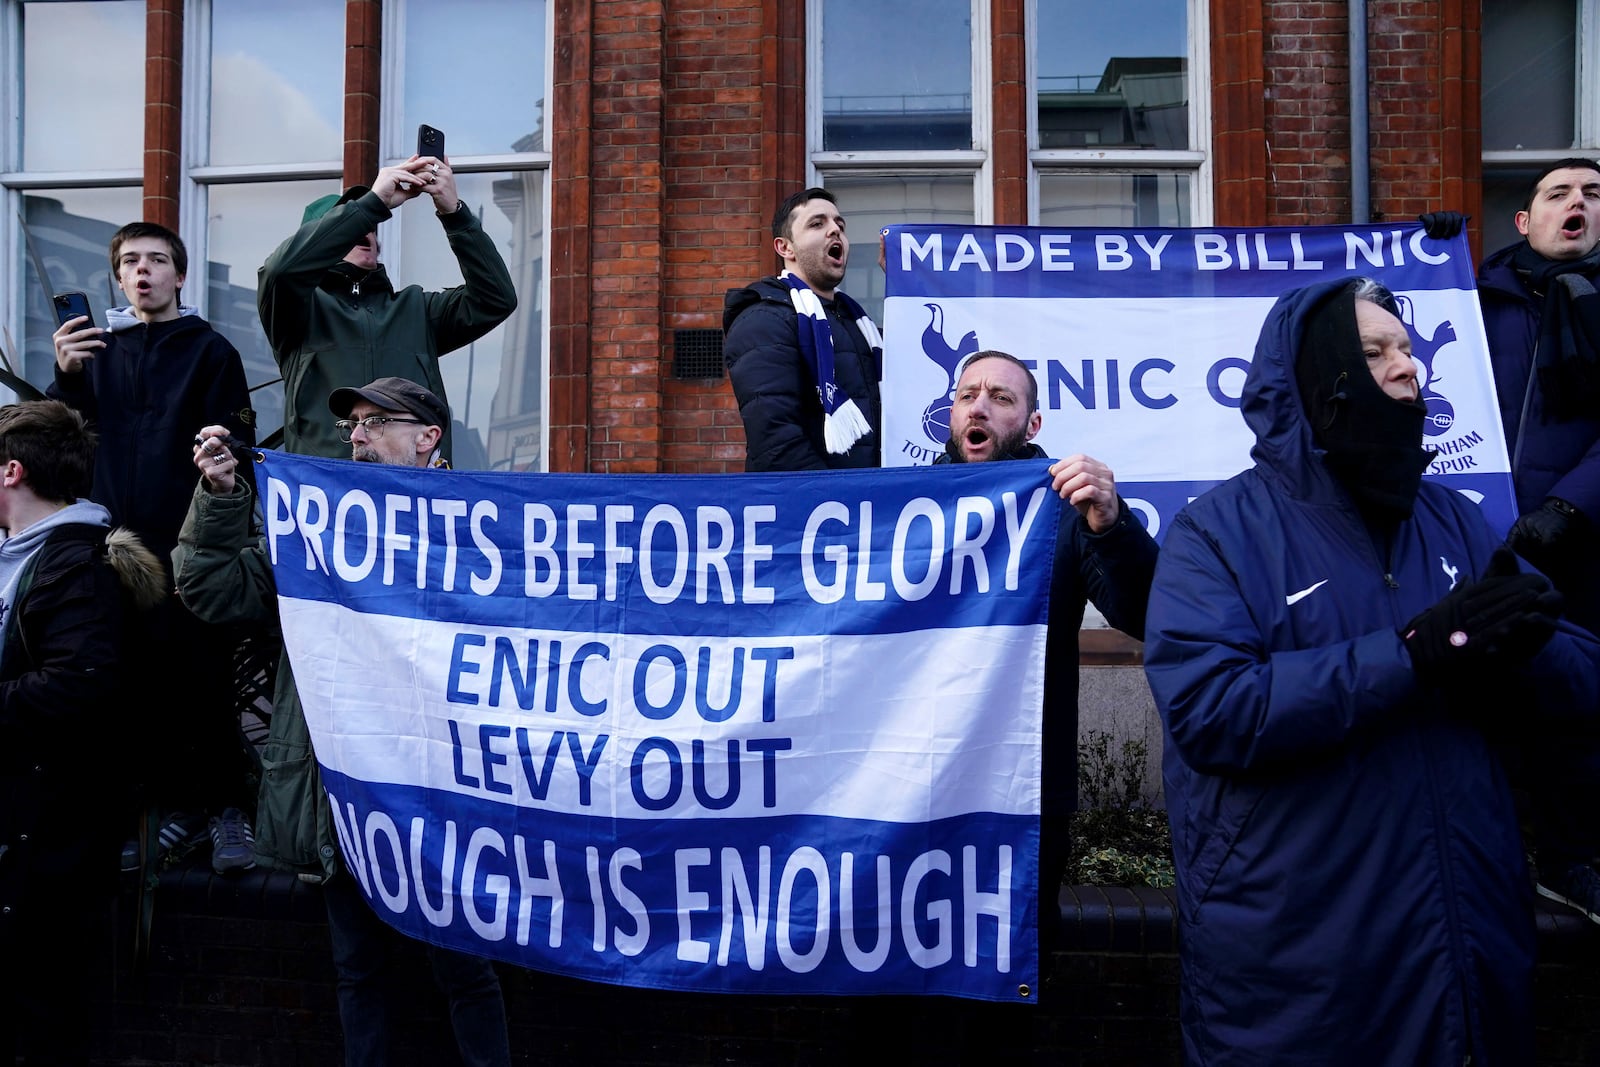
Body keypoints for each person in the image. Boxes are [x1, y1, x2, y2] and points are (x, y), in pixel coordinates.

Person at [1143, 276, 1600, 1064]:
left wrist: (1533, 649)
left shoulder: (1456, 517)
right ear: (1319, 374)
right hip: (1301, 971)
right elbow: (1213, 710)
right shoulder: (1214, 533)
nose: (1406, 367)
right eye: (1376, 350)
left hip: (1467, 960)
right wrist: (1415, 651)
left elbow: (1582, 684)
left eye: (1409, 349)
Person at [171, 377, 511, 1067]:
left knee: (466, 974)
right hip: (347, 798)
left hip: (447, 798)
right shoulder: (319, 526)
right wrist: (221, 496)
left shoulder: (484, 524)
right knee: (360, 973)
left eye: (373, 421)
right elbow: (210, 588)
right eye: (350, 425)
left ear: (427, 437)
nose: (354, 437)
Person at [49, 220, 258, 873]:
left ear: (179, 274)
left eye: (157, 260)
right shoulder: (96, 351)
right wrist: (66, 377)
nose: (144, 271)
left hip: (187, 544)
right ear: (117, 277)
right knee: (128, 685)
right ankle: (166, 814)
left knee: (202, 679)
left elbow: (239, 448)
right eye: (131, 261)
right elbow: (64, 445)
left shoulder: (210, 350)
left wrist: (221, 449)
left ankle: (228, 811)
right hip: (112, 549)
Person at [934, 350, 1157, 917]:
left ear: (1032, 425)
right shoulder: (906, 504)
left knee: (1017, 961)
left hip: (1025, 786)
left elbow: (1150, 614)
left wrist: (1111, 528)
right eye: (967, 396)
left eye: (1000, 398)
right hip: (921, 778)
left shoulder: (1065, 509)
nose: (978, 406)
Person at [0, 400, 164, 1064]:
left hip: (47, 850)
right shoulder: (23, 557)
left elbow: (80, 684)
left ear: (11, 471)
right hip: (26, 839)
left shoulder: (77, 564)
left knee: (42, 1026)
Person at [1474, 158, 1600, 920]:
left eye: (1591, 194)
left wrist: (1568, 506)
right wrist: (1416, 265)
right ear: (1524, 221)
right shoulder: (1476, 299)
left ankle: (1568, 858)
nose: (1576, 203)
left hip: (1580, 543)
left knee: (1574, 706)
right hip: (1485, 537)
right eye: (1557, 193)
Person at [258, 152, 517, 462]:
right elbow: (280, 272)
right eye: (348, 221)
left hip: (411, 494)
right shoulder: (298, 312)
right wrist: (373, 204)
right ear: (319, 242)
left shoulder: (416, 310)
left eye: (370, 225)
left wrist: (453, 212)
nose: (365, 229)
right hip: (328, 497)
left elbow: (496, 298)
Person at [723, 187, 883, 471]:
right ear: (785, 247)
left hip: (868, 504)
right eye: (817, 223)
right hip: (822, 508)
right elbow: (776, 442)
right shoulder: (763, 320)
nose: (835, 230)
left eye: (840, 225)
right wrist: (842, 502)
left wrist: (902, 286)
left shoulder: (859, 325)